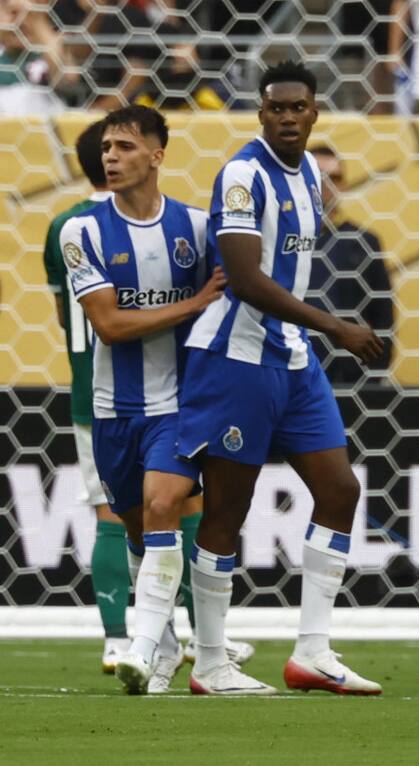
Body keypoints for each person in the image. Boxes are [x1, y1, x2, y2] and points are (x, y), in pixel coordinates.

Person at [176, 61, 384, 696]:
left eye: (298, 108)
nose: (288, 118)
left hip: (290, 359)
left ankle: (313, 653)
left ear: (315, 112)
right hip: (235, 358)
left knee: (341, 490)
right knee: (228, 508)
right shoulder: (242, 175)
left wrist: (312, 331)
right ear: (260, 114)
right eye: (276, 109)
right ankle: (211, 662)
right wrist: (335, 326)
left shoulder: (313, 177)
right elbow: (242, 278)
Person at [59, 105, 227, 694]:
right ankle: (166, 638)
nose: (111, 156)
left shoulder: (199, 229)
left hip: (179, 405)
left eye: (126, 146)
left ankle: (146, 647)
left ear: (157, 155)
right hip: (113, 410)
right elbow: (108, 324)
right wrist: (195, 301)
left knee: (161, 507)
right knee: (134, 526)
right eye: (107, 146)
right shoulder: (81, 231)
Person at [42, 118, 127, 672]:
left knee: (110, 514)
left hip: (87, 388)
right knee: (180, 506)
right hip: (155, 387)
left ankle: (117, 639)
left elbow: (61, 306)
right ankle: (190, 634)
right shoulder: (149, 220)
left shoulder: (61, 227)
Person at [306, 145, 394, 385]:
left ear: (344, 184)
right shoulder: (283, 239)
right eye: (317, 176)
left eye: (334, 177)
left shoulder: (364, 242)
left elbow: (383, 315)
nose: (326, 185)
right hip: (293, 372)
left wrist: (376, 375)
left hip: (349, 377)